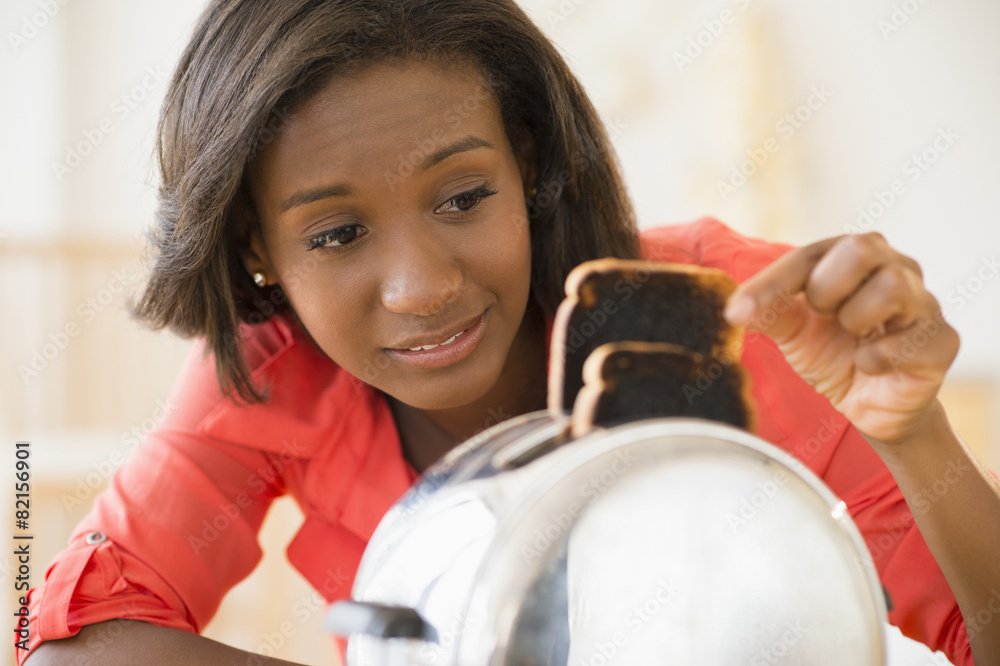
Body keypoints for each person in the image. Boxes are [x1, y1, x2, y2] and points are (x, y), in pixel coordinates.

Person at [17, 0, 1000, 664]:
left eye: (462, 196)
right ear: (255, 246)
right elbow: (73, 636)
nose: (421, 288)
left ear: (527, 160)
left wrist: (913, 431)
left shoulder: (735, 314)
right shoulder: (275, 368)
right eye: (338, 232)